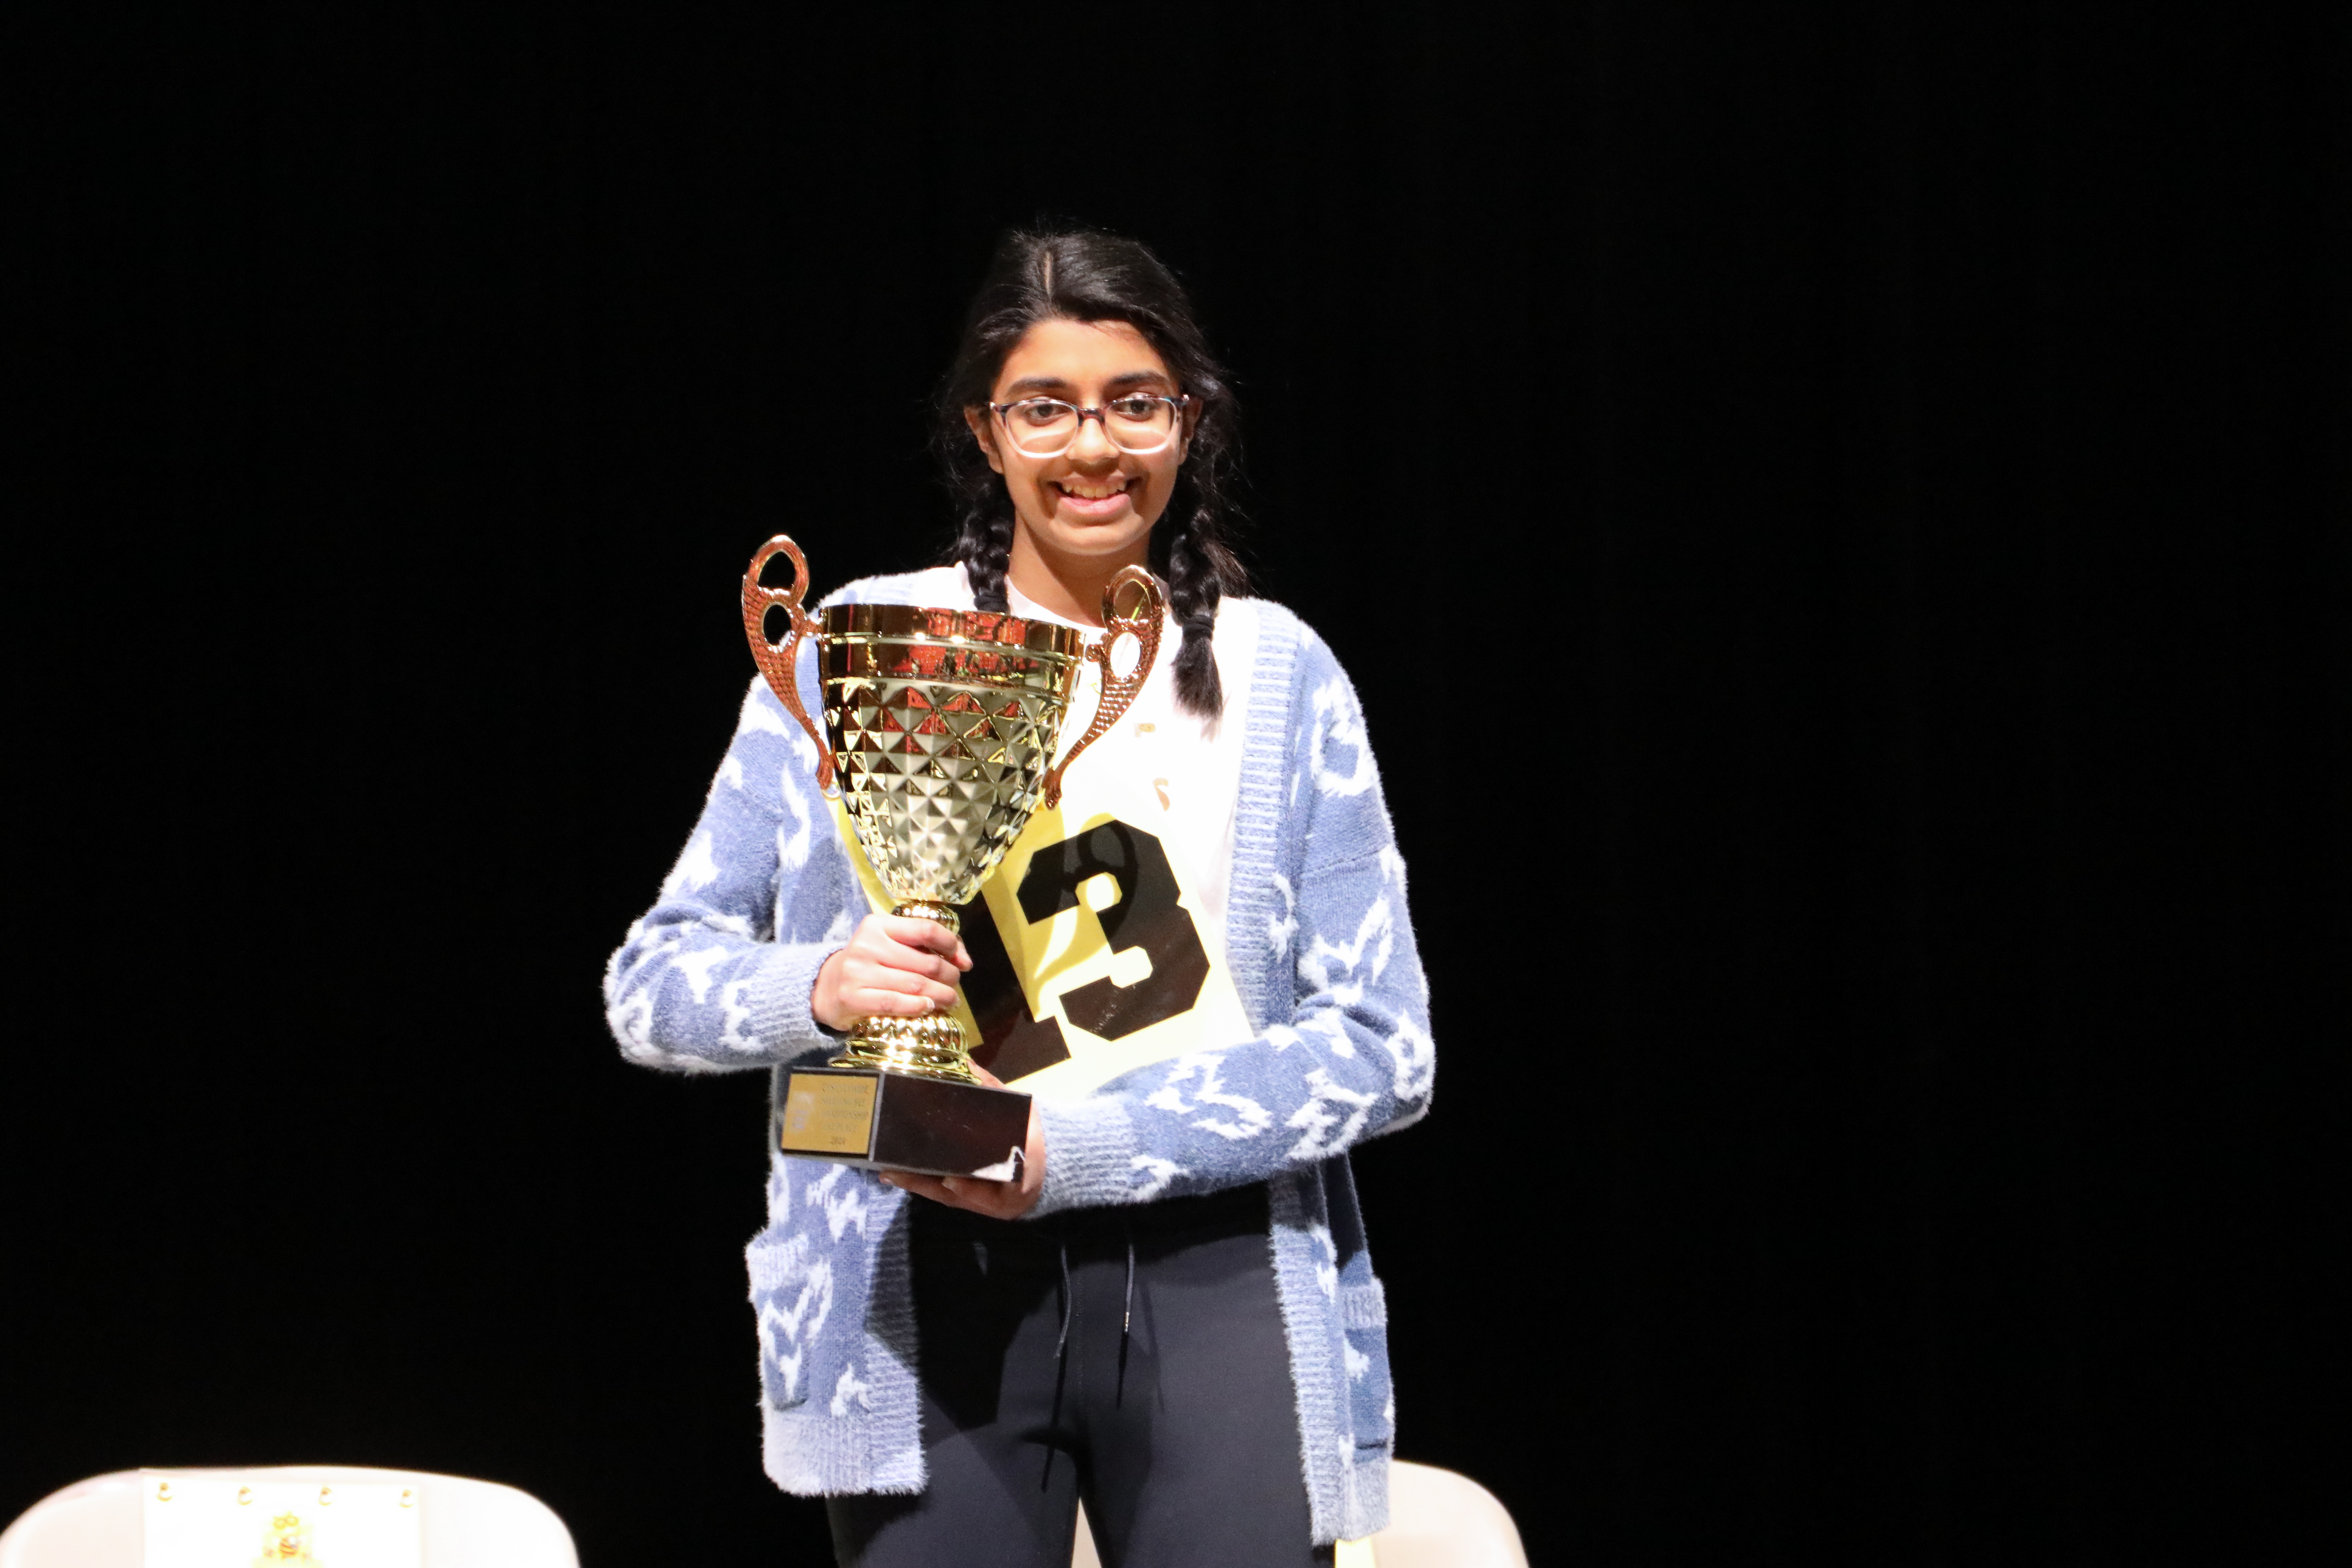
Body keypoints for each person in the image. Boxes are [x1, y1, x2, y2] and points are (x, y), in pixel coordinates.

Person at [604, 228, 1435, 1567]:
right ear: (985, 435)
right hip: (917, 1272)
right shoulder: (860, 654)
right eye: (1043, 408)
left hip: (1224, 1270)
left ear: (1190, 424)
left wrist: (1079, 1151)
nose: (1092, 448)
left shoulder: (1283, 673)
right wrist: (816, 986)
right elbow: (653, 988)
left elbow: (1383, 1048)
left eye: (1134, 403)